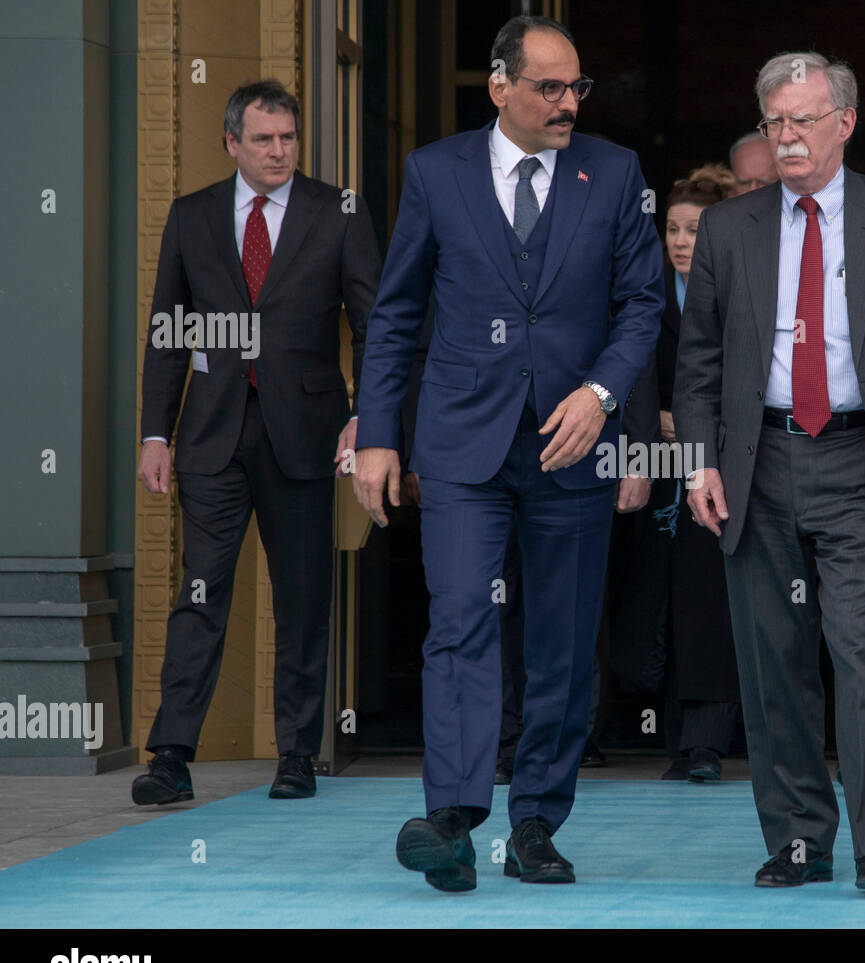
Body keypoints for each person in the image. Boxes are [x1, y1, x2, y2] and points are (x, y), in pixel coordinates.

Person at [353, 14, 663, 892]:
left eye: (577, 88)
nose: (569, 103)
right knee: (460, 620)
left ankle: (535, 823)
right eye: (549, 87)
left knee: (561, 640)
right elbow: (396, 312)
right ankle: (451, 817)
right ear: (500, 86)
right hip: (462, 442)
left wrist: (601, 396)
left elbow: (643, 302)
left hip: (573, 443)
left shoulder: (615, 173)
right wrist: (376, 433)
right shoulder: (435, 172)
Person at [675, 51, 865, 892]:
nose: (786, 138)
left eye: (802, 121)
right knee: (772, 666)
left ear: (843, 123)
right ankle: (798, 843)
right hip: (758, 462)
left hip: (861, 460)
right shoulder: (730, 227)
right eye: (774, 121)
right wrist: (698, 463)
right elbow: (698, 362)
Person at [133, 80, 380, 805]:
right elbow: (167, 332)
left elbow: (374, 323)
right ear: (232, 143)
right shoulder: (192, 215)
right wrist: (156, 432)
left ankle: (296, 754)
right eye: (264, 139)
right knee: (201, 593)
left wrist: (369, 416)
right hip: (211, 436)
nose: (279, 151)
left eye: (288, 138)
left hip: (304, 434)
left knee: (301, 598)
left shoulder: (339, 211)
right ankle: (171, 756)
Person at [637, 165, 744, 781]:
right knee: (654, 595)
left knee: (708, 596)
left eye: (694, 230)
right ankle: (659, 731)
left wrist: (701, 422)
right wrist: (650, 418)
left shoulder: (737, 288)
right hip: (650, 462)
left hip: (717, 461)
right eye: (672, 229)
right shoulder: (644, 291)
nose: (680, 242)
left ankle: (705, 742)